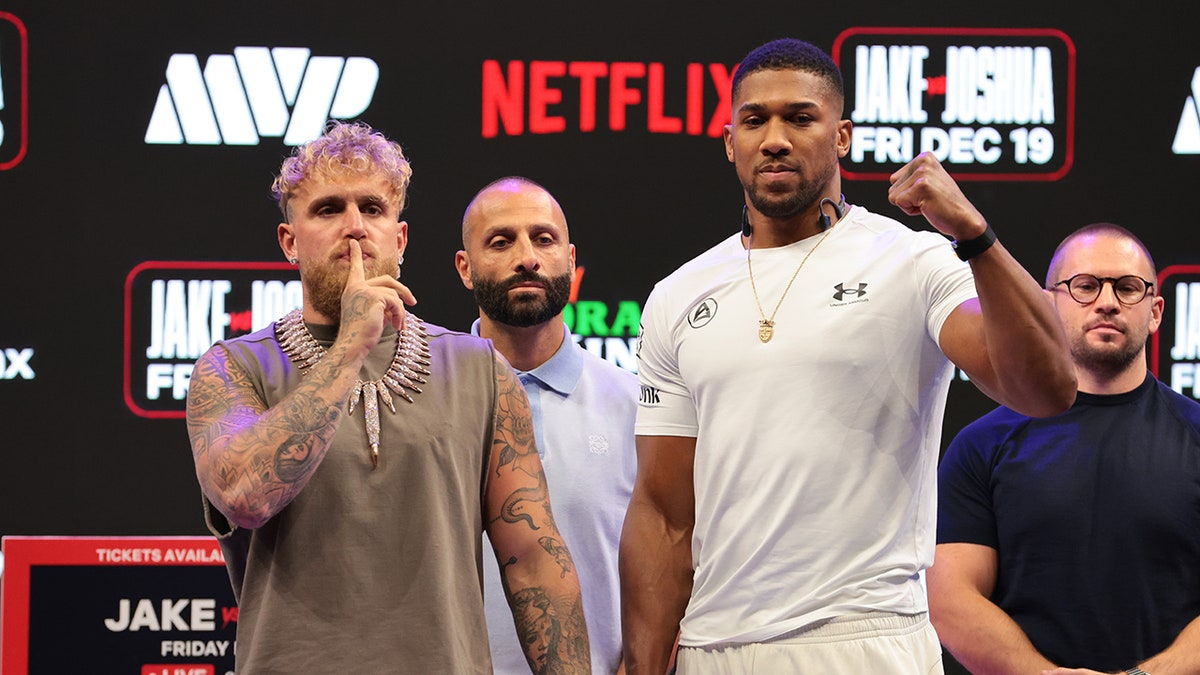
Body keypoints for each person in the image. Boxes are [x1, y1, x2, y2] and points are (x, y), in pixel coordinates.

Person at [619, 37, 1077, 674]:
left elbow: (1047, 388)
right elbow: (664, 513)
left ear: (841, 136)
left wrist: (975, 235)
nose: (775, 137)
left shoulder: (911, 261)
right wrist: (642, 664)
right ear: (730, 142)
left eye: (800, 118)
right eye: (755, 120)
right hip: (714, 645)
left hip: (865, 637)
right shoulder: (677, 296)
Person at [185, 121, 591, 673]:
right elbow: (244, 496)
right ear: (289, 242)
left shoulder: (479, 371)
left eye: (372, 209)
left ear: (399, 239)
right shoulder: (233, 368)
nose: (354, 228)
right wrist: (351, 345)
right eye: (328, 210)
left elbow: (534, 563)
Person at [930, 223, 1200, 675]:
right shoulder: (982, 446)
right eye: (1086, 286)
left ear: (1155, 312)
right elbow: (949, 598)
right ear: (1048, 304)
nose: (1108, 302)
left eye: (1128, 288)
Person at [455, 176, 639, 673]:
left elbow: (681, 562)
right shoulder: (425, 402)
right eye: (501, 241)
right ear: (464, 268)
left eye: (543, 238)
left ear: (571, 259)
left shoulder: (636, 408)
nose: (527, 258)